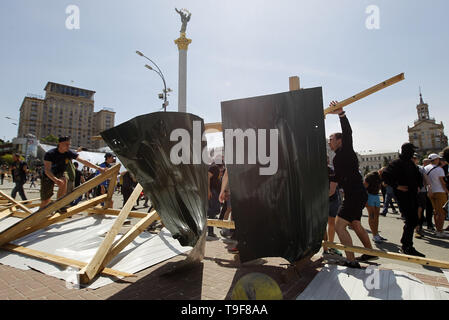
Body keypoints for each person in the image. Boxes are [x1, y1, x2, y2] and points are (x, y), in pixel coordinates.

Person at [327, 103, 376, 268]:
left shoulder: (346, 149)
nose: (329, 143)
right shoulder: (337, 157)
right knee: (355, 224)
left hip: (355, 194)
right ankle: (370, 253)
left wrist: (341, 114)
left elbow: (348, 132)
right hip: (356, 193)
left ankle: (351, 260)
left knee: (340, 226)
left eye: (331, 139)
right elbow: (339, 177)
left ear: (340, 141)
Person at [40, 136, 105, 210]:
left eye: (69, 144)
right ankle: (39, 215)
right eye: (66, 144)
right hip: (48, 175)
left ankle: (59, 204)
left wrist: (98, 168)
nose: (68, 146)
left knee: (64, 180)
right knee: (46, 200)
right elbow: (47, 170)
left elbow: (84, 161)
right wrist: (55, 180)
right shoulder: (50, 154)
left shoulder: (69, 153)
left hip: (60, 173)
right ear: (60, 144)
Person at [382, 143, 425, 257]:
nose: (412, 153)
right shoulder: (396, 163)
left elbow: (418, 176)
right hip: (403, 195)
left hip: (412, 194)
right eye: (411, 151)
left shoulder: (410, 163)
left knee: (414, 219)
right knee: (411, 219)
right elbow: (385, 175)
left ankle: (407, 244)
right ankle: (406, 246)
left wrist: (419, 185)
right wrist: (397, 186)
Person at [424, 154, 449, 238]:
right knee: (442, 212)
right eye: (438, 159)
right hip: (440, 191)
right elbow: (442, 181)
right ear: (435, 160)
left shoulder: (426, 168)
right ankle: (440, 230)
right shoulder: (439, 169)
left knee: (435, 212)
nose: (439, 160)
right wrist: (446, 190)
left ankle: (438, 230)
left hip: (431, 191)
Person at [322, 158, 343, 256]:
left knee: (329, 223)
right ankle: (327, 248)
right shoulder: (328, 170)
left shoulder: (330, 171)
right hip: (327, 200)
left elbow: (332, 190)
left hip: (329, 200)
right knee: (326, 224)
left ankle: (329, 247)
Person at [364, 169, 387, 243]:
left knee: (376, 216)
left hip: (376, 196)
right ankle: (374, 235)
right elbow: (364, 187)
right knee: (372, 216)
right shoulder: (370, 177)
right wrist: (365, 199)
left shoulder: (380, 177)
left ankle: (376, 234)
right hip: (370, 196)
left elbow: (382, 185)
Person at [207, 159, 223, 238]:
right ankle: (210, 231)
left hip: (216, 192)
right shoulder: (214, 167)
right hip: (213, 191)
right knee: (213, 211)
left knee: (215, 211)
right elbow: (207, 177)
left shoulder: (218, 169)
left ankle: (206, 220)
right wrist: (208, 190)